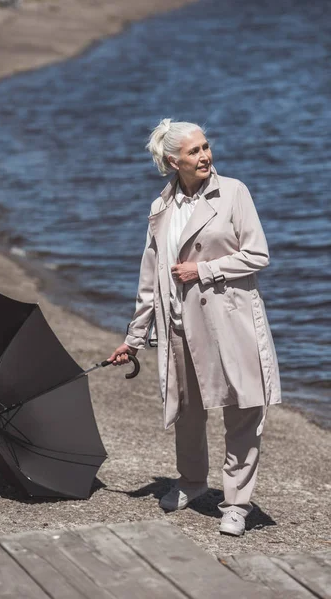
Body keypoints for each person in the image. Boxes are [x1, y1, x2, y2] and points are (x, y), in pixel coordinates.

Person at [107, 119, 281, 536]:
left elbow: (258, 255)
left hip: (230, 323)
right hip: (179, 328)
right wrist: (133, 339)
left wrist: (204, 270)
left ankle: (236, 503)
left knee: (243, 412)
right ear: (173, 161)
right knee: (187, 412)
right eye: (194, 151)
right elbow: (150, 280)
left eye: (206, 147)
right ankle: (191, 482)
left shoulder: (234, 192)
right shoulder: (160, 208)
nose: (205, 156)